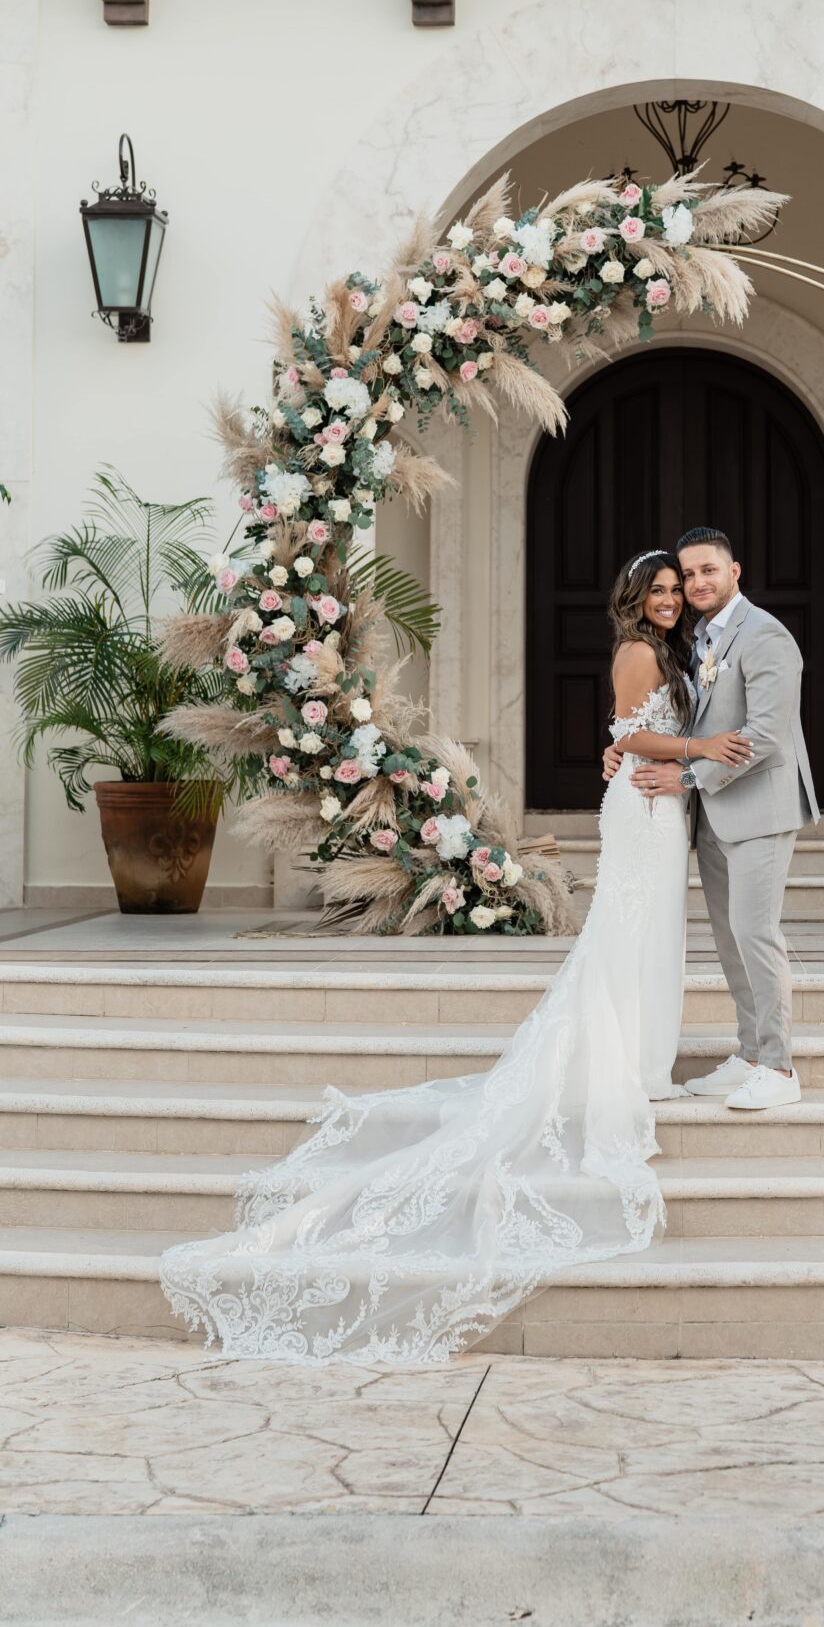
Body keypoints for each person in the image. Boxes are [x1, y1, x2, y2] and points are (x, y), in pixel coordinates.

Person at [158, 549, 751, 1365]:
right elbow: (629, 731)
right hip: (641, 807)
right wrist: (700, 749)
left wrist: (672, 760)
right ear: (634, 599)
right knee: (626, 936)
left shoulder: (676, 650)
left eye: (673, 590)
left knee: (648, 939)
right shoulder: (637, 651)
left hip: (655, 802)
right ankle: (629, 1068)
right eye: (655, 590)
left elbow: (639, 736)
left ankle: (644, 1061)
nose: (667, 600)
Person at [603, 526, 819, 1111]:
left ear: (735, 572)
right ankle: (750, 1054)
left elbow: (768, 735)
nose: (695, 584)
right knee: (730, 940)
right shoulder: (696, 641)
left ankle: (778, 1067)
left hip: (760, 811)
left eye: (707, 572)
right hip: (714, 817)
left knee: (755, 934)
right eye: (686, 574)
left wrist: (689, 776)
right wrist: (626, 747)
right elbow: (678, 721)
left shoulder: (765, 635)